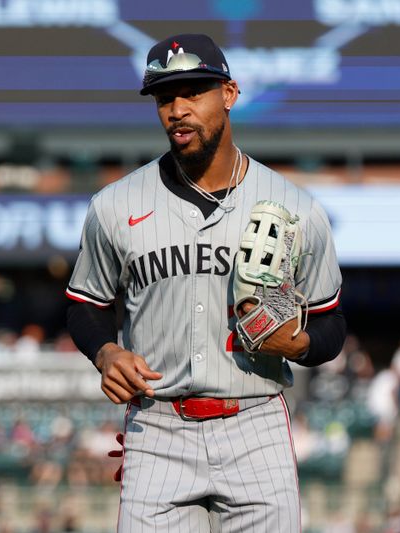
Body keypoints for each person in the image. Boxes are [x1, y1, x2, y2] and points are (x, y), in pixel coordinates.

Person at [65, 34, 346, 532]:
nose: (177, 109)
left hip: (255, 421)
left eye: (194, 91)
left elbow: (331, 323)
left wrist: (297, 343)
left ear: (230, 94)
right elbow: (84, 304)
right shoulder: (114, 205)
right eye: (165, 97)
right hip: (158, 425)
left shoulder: (297, 208)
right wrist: (105, 353)